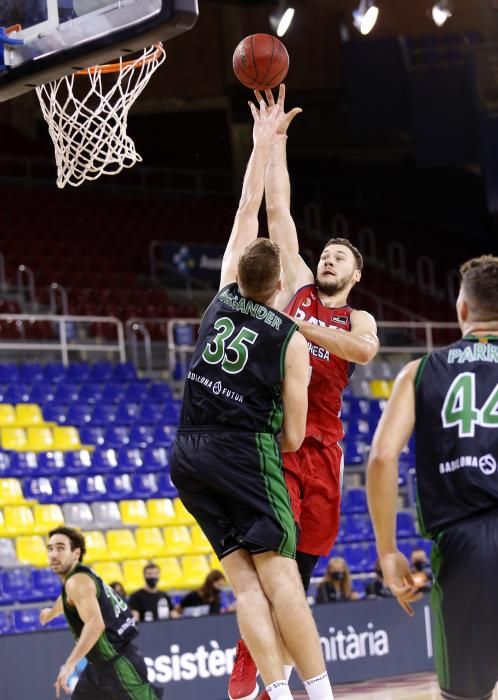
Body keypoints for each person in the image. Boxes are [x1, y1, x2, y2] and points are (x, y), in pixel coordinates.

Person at [170, 98, 334, 700]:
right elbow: (291, 437)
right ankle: (320, 694)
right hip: (242, 453)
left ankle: (277, 694)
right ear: (283, 289)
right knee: (281, 576)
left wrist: (262, 140)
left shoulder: (218, 296)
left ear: (238, 273)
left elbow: (246, 209)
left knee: (245, 588)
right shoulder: (290, 336)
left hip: (188, 455)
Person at [229, 85, 379, 700]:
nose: (327, 260)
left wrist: (305, 328)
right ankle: (253, 688)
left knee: (302, 576)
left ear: (357, 274)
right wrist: (276, 144)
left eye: (339, 257)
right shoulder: (295, 288)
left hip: (327, 452)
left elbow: (362, 351)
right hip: (280, 442)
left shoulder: (358, 319)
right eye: (324, 254)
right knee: (271, 571)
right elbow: (279, 215)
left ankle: (278, 677)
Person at [366, 254, 498, 700]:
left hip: (465, 550)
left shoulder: (419, 372)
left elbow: (383, 459)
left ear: (462, 309)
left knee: (465, 695)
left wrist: (387, 552)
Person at [40, 526, 159, 699]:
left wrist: (69, 665)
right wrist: (51, 613)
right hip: (99, 668)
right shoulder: (80, 577)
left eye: (60, 548)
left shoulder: (77, 582)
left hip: (119, 665)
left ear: (76, 553)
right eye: (50, 549)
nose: (53, 554)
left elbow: (95, 624)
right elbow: (68, 599)